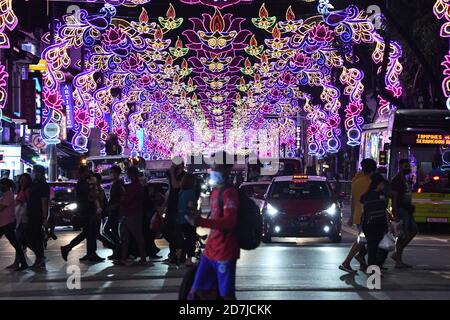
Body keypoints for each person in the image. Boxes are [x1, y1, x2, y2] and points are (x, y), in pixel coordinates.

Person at [186, 151, 240, 300]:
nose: (212, 169)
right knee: (195, 292)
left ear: (226, 169)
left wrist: (201, 222)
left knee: (226, 295)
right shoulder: (215, 192)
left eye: (216, 166)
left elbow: (230, 222)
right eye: (212, 166)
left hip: (225, 251)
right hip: (210, 251)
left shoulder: (229, 193)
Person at [339, 158, 377, 274]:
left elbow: (353, 200)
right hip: (368, 216)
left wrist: (351, 217)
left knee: (364, 241)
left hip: (359, 215)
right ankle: (347, 262)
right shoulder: (370, 182)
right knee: (364, 241)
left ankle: (361, 261)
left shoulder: (356, 180)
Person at [60, 166, 104, 263]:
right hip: (87, 212)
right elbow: (92, 197)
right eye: (87, 171)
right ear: (83, 173)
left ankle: (91, 253)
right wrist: (93, 185)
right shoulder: (83, 184)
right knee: (89, 232)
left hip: (86, 211)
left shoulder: (82, 184)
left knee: (89, 233)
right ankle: (68, 248)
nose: (89, 173)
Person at [114, 166, 147, 266]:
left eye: (128, 173)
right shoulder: (135, 185)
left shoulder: (135, 186)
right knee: (126, 237)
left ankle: (142, 258)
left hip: (133, 214)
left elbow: (127, 200)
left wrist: (122, 198)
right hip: (130, 214)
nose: (127, 175)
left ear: (132, 174)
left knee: (135, 237)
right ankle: (126, 258)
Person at [391, 159, 418, 268]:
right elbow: (394, 197)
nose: (408, 168)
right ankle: (398, 260)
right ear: (400, 166)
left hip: (407, 210)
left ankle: (397, 255)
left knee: (414, 230)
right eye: (406, 166)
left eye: (409, 166)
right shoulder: (397, 179)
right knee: (402, 235)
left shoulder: (405, 179)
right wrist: (395, 211)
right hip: (401, 210)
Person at [22, 165, 49, 269]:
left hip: (38, 215)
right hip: (31, 213)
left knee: (35, 236)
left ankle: (40, 259)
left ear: (41, 173)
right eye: (34, 171)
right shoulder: (34, 184)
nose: (34, 173)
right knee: (30, 236)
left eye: (36, 172)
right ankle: (40, 257)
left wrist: (44, 217)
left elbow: (44, 201)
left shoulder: (43, 185)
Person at [361, 173, 390, 270]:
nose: (383, 186)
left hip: (369, 224)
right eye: (382, 184)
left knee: (373, 247)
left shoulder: (366, 195)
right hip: (375, 224)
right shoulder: (380, 196)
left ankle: (374, 267)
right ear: (378, 184)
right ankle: (374, 268)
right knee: (375, 247)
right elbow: (383, 209)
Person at [0, 178, 28, 271]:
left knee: (16, 244)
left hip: (7, 223)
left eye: (2, 184)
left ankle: (24, 263)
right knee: (16, 244)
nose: (0, 186)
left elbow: (1, 207)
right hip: (4, 223)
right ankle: (23, 263)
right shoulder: (5, 195)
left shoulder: (8, 195)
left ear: (7, 186)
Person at [164, 159, 186, 264]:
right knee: (166, 231)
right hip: (170, 207)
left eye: (175, 164)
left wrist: (172, 173)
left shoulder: (184, 176)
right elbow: (170, 189)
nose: (172, 166)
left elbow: (176, 185)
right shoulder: (171, 174)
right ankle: (175, 251)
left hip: (179, 208)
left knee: (177, 232)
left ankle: (179, 254)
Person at [174, 173, 198, 267]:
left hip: (179, 219)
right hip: (189, 219)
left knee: (181, 238)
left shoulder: (181, 192)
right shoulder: (191, 192)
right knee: (191, 239)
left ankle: (179, 253)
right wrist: (196, 210)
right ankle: (188, 260)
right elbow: (190, 206)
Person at [104, 166, 124, 260]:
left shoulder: (118, 184)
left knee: (107, 230)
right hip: (113, 211)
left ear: (117, 173)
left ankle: (118, 246)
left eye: (112, 172)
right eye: (110, 172)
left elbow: (122, 198)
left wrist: (115, 206)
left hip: (115, 212)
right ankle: (117, 250)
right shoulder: (115, 184)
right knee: (113, 230)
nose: (110, 174)